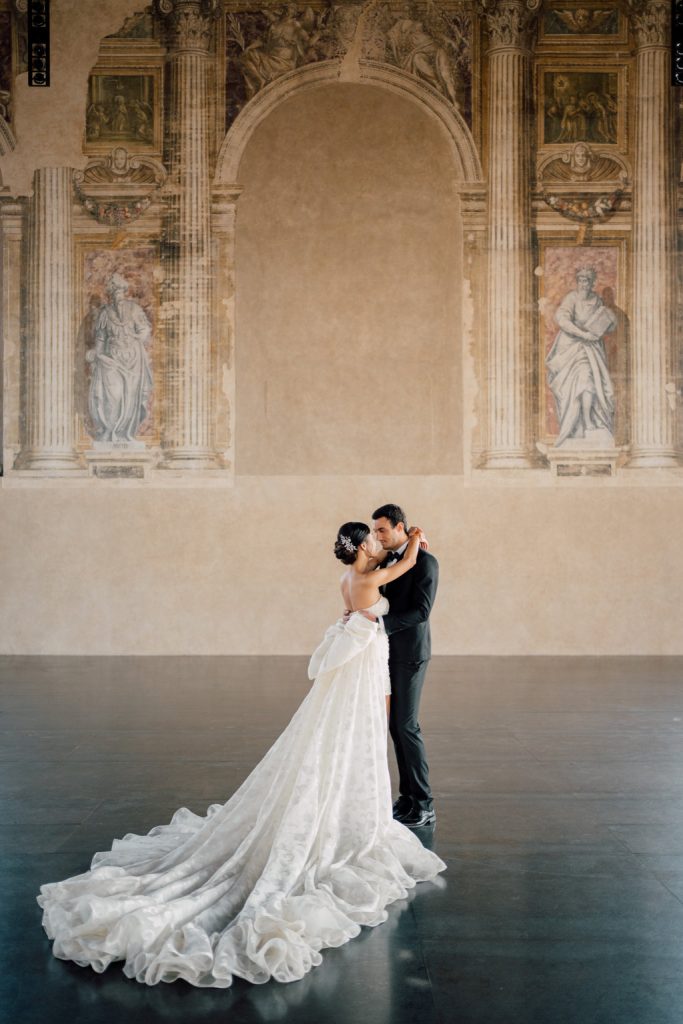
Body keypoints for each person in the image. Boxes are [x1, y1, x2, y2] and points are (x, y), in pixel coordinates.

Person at [37, 522, 446, 988]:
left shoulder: (350, 579)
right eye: (372, 539)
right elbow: (409, 566)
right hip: (363, 661)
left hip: (360, 661)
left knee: (345, 732)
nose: (378, 543)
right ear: (362, 548)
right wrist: (414, 540)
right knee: (356, 734)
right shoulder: (372, 578)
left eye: (379, 536)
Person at [361, 504, 439, 830]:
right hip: (388, 653)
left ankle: (424, 804)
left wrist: (380, 622)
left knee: (406, 726)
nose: (377, 536)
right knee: (394, 727)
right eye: (375, 531)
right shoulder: (394, 558)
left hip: (410, 654)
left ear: (399, 527)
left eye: (381, 530)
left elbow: (422, 611)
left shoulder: (426, 562)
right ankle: (406, 799)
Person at [546, 266, 617, 446]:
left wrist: (608, 323)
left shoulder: (597, 301)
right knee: (579, 383)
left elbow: (606, 323)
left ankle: (589, 421)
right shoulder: (572, 298)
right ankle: (582, 423)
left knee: (592, 382)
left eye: (588, 280)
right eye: (581, 280)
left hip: (591, 347)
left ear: (592, 283)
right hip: (571, 347)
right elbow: (562, 319)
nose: (584, 284)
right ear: (577, 282)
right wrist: (582, 334)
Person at [87, 273, 153, 444]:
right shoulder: (105, 314)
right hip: (111, 359)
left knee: (131, 396)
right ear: (110, 295)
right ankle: (110, 432)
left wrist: (136, 339)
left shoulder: (135, 309)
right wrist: (97, 354)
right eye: (114, 293)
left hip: (133, 358)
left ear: (124, 292)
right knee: (113, 395)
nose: (118, 297)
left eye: (120, 292)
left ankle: (125, 434)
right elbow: (100, 339)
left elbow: (144, 329)